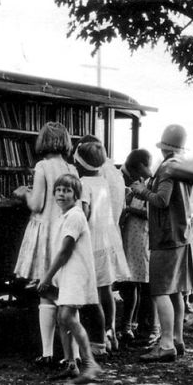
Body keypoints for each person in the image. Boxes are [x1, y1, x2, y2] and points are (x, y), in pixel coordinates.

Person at [13, 122, 78, 367]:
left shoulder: (42, 166)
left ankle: (48, 352)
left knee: (46, 294)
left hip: (45, 233)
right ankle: (73, 354)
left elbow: (37, 204)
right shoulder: (71, 167)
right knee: (65, 292)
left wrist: (23, 193)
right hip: (64, 232)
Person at [130, 124, 193, 363]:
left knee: (159, 292)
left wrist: (140, 191)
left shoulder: (167, 167)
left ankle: (166, 344)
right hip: (181, 235)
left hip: (165, 237)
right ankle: (177, 339)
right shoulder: (184, 167)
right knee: (176, 290)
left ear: (164, 147)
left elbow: (161, 200)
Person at [38, 173, 101, 382]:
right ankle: (70, 364)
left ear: (76, 195)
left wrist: (47, 277)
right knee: (61, 318)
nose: (61, 194)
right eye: (58, 190)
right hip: (67, 273)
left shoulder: (75, 215)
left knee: (66, 317)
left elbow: (65, 250)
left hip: (76, 272)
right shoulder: (63, 216)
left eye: (67, 191)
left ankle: (90, 364)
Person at [73, 140, 130, 356]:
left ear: (80, 163)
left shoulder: (83, 183)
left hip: (92, 241)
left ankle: (97, 342)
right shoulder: (104, 181)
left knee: (91, 294)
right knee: (105, 290)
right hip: (107, 240)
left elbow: (84, 213)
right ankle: (110, 332)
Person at [119, 149, 154, 344]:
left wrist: (129, 209)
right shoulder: (140, 185)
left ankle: (145, 327)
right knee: (132, 283)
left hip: (142, 240)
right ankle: (131, 326)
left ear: (141, 168)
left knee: (142, 285)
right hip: (132, 240)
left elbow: (151, 212)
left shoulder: (150, 186)